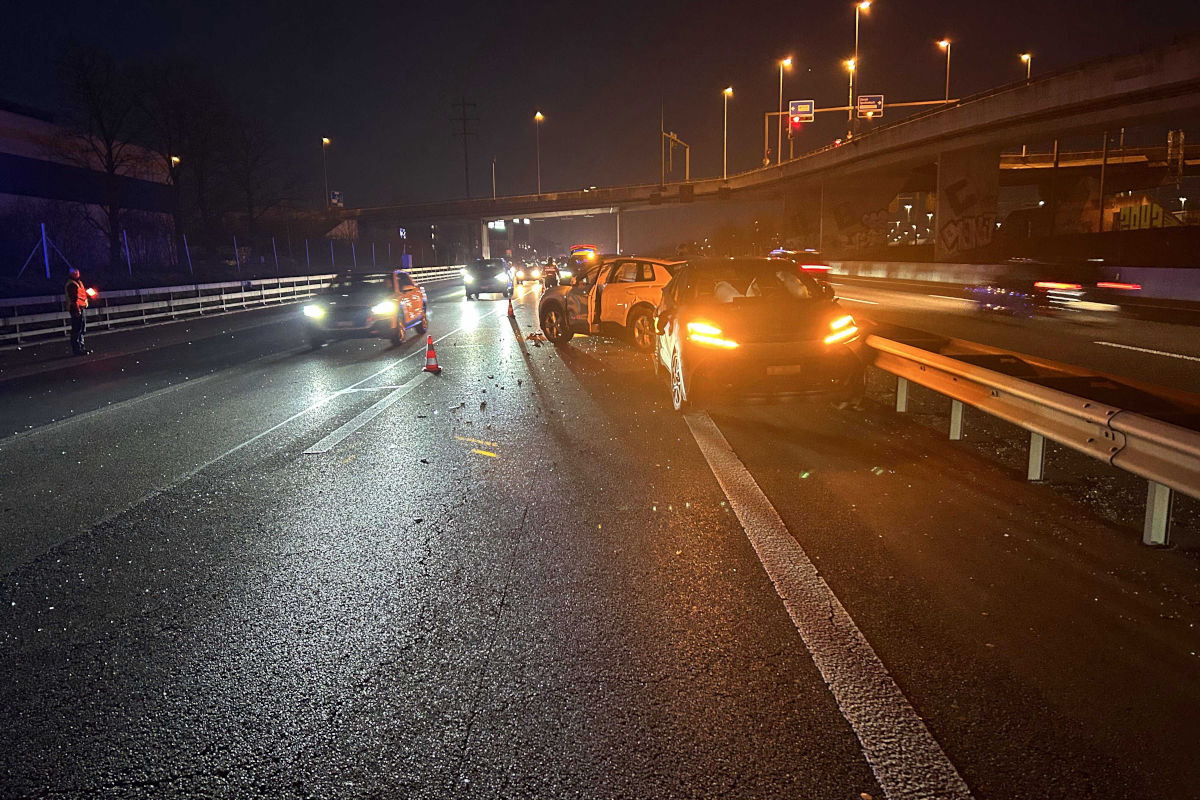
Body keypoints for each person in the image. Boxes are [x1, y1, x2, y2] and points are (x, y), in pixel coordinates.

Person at [64, 268, 90, 355]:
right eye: (75, 273)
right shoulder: (72, 284)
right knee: (77, 329)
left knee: (81, 329)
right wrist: (77, 310)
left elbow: (80, 295)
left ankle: (81, 348)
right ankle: (77, 349)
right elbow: (74, 299)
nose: (77, 274)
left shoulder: (78, 283)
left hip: (80, 308)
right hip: (76, 309)